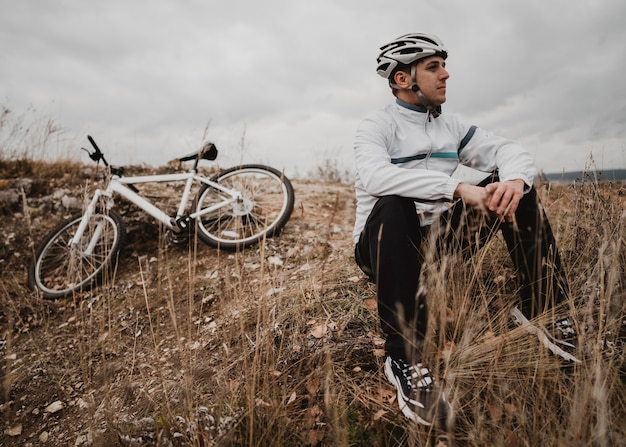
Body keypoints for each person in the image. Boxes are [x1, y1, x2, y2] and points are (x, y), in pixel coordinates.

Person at [353, 33, 579, 427]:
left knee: (515, 188)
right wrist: (455, 187)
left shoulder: (451, 126)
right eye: (433, 67)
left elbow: (509, 150)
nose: (446, 74)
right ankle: (403, 359)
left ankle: (541, 307)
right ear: (403, 79)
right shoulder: (376, 125)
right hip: (384, 247)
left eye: (444, 65)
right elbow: (375, 176)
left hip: (437, 246)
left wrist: (512, 181)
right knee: (394, 201)